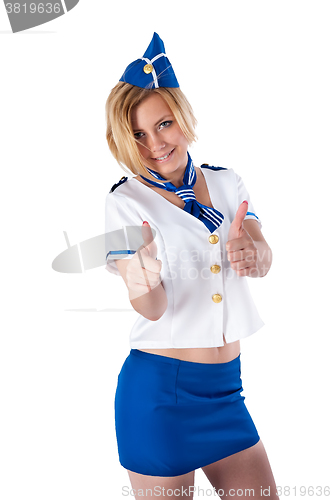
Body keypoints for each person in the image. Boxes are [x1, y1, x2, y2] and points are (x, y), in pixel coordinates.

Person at [104, 33, 278, 500]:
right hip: (160, 395)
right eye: (137, 134)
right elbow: (153, 309)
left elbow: (260, 254)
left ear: (183, 118)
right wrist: (140, 277)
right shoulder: (125, 202)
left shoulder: (226, 182)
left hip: (227, 392)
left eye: (163, 124)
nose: (155, 143)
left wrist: (253, 254)